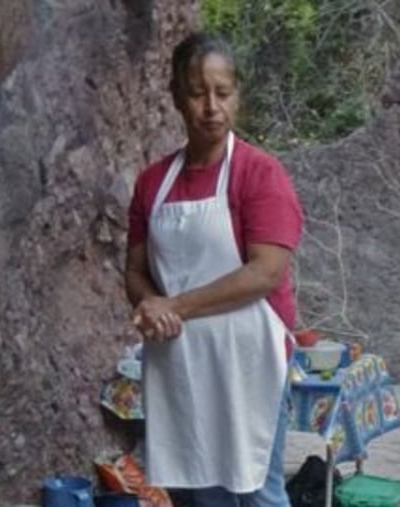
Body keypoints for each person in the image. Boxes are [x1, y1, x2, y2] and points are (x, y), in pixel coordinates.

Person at [125, 32, 303, 507]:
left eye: (222, 93)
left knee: (257, 489)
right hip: (179, 359)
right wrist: (149, 304)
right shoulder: (152, 183)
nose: (211, 106)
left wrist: (174, 305)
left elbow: (265, 272)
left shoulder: (259, 174)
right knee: (196, 487)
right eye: (197, 92)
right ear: (176, 97)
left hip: (248, 360)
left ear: (237, 95)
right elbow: (136, 270)